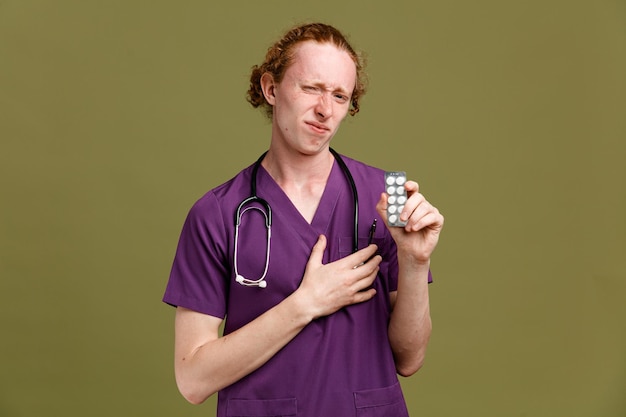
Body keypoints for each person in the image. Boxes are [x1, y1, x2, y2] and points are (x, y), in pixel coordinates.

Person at [163, 22, 444, 416]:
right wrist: (305, 304)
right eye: (311, 88)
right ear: (271, 88)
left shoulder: (388, 196)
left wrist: (416, 264)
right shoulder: (217, 213)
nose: (324, 110)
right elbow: (193, 380)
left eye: (340, 96)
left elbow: (409, 360)